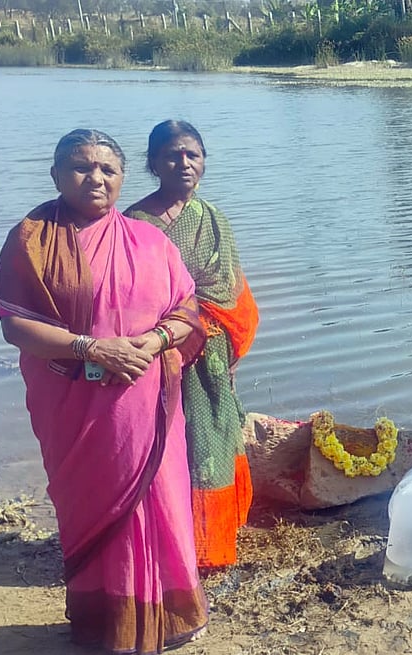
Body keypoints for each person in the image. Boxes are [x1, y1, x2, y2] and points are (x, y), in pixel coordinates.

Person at [0, 129, 208, 652]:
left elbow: (188, 313)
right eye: (82, 167)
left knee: (162, 500)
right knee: (89, 503)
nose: (96, 178)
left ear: (123, 177)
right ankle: (105, 621)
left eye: (108, 169)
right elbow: (16, 326)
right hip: (75, 403)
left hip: (147, 399)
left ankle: (172, 616)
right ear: (56, 175)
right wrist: (93, 348)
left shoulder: (149, 240)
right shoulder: (33, 239)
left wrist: (153, 340)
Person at [126, 120, 259, 570]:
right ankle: (162, 535)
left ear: (203, 161)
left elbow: (230, 290)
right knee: (159, 443)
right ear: (152, 163)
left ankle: (210, 542)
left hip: (211, 353)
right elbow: (128, 295)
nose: (184, 163)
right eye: (172, 155)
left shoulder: (213, 218)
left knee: (208, 443)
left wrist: (221, 340)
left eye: (192, 155)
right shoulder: (132, 224)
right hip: (155, 352)